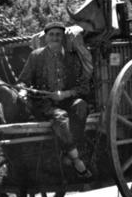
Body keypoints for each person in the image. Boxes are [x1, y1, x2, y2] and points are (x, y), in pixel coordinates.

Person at [18, 21, 93, 179]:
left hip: (67, 100)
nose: (55, 38)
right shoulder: (36, 56)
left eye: (58, 35)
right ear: (46, 38)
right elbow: (23, 81)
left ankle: (71, 148)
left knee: (81, 106)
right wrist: (23, 92)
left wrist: (65, 94)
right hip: (44, 103)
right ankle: (76, 159)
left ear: (63, 38)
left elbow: (84, 87)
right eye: (51, 35)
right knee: (60, 117)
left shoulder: (72, 59)